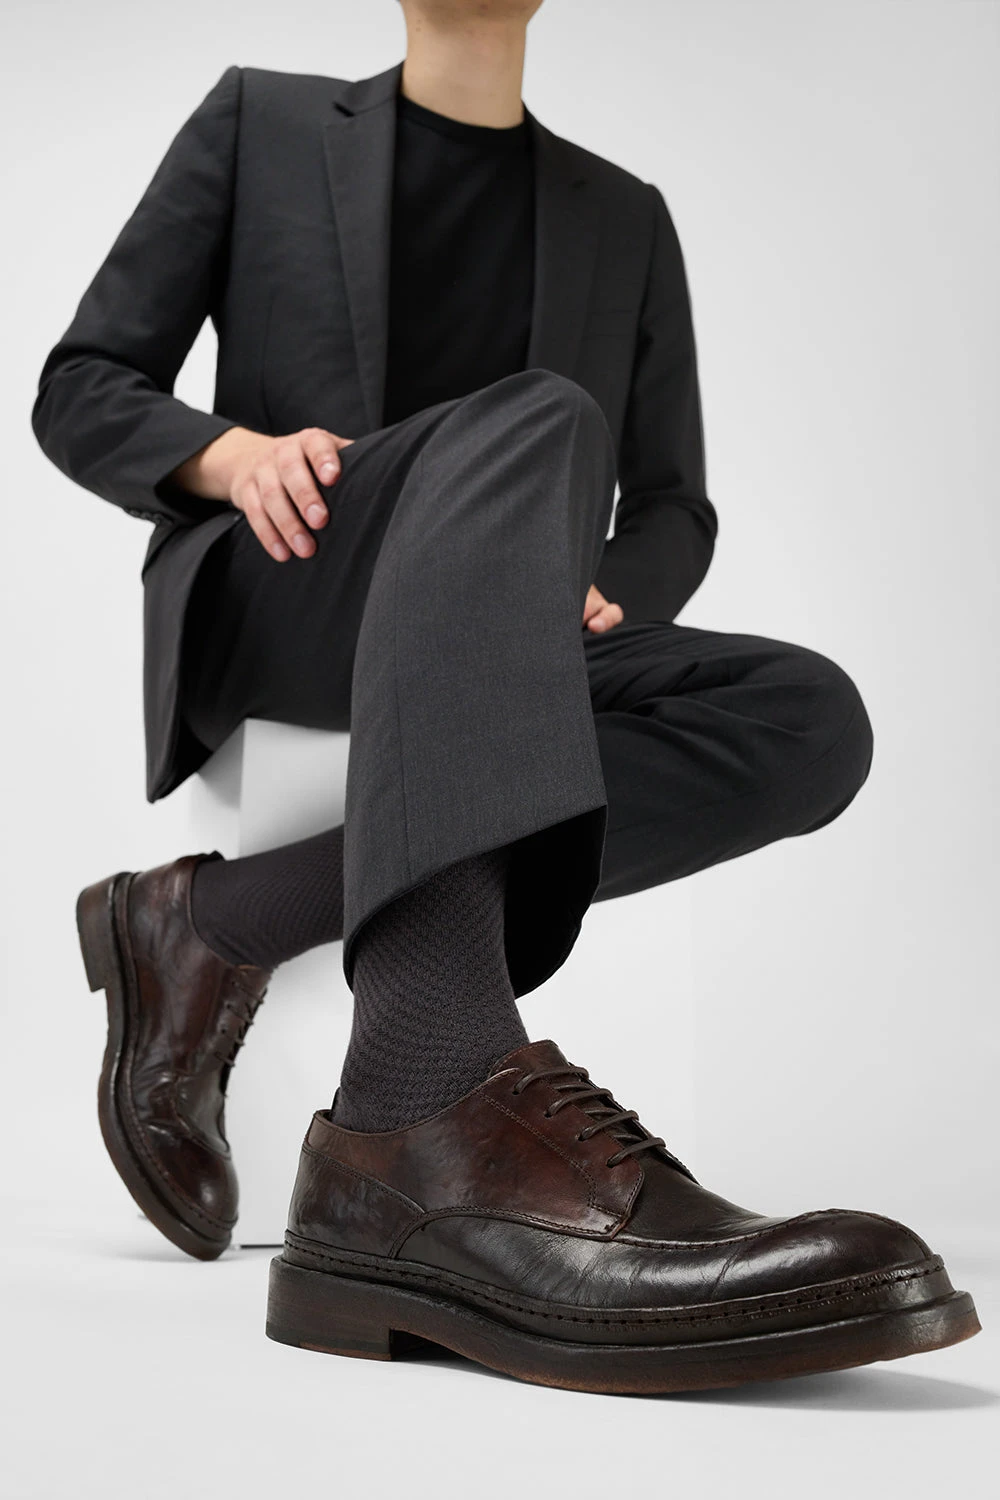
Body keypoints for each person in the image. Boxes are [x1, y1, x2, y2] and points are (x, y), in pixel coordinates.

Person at [32, 0, 978, 1394]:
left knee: (808, 717)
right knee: (541, 419)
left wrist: (609, 589)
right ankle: (422, 1093)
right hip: (300, 579)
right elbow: (82, 385)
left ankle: (216, 921)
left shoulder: (625, 217)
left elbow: (672, 507)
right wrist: (233, 458)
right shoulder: (261, 120)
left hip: (509, 619)